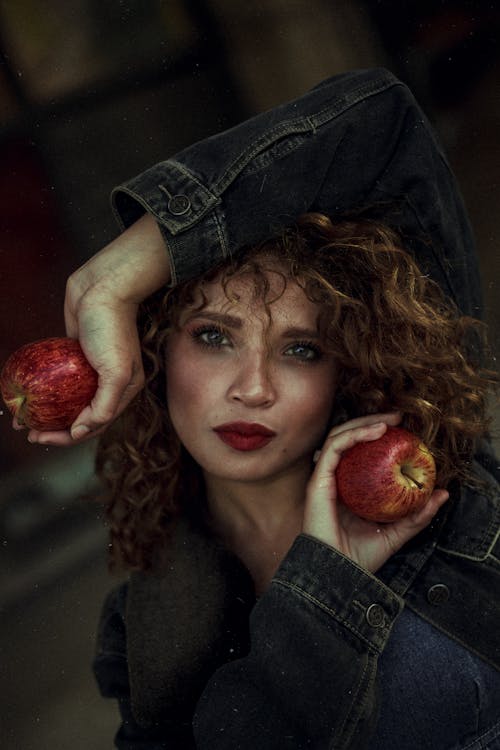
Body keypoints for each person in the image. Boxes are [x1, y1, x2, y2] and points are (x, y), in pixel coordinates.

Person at [25, 69, 500, 747]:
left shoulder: (445, 491)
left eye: (302, 349)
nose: (253, 387)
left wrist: (114, 277)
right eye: (213, 336)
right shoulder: (147, 631)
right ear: (154, 353)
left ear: (349, 368)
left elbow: (381, 122)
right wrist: (324, 590)